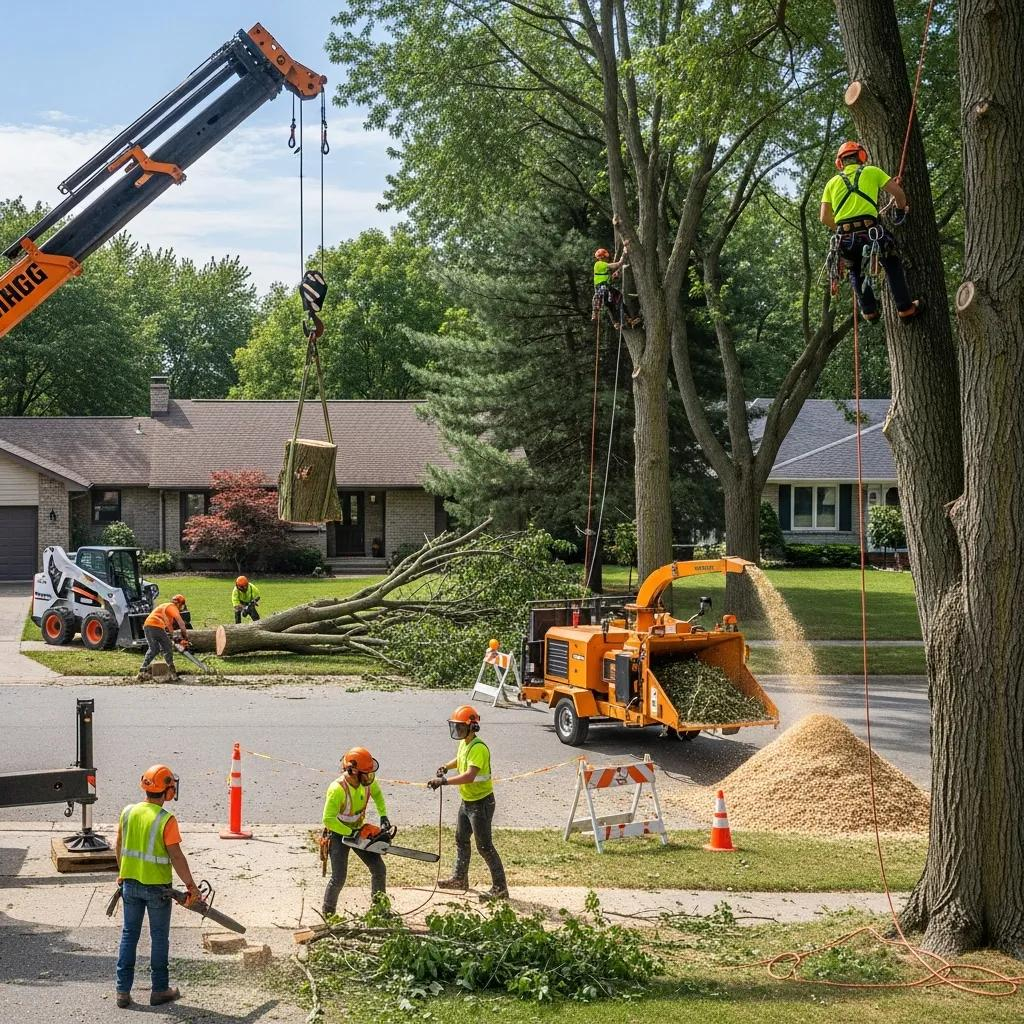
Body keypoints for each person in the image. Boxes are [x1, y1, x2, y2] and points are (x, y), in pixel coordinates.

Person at [114, 763, 201, 1009]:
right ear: (167, 791)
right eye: (171, 786)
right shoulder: (166, 820)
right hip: (158, 890)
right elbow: (176, 856)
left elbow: (118, 845)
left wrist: (122, 873)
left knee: (129, 936)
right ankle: (159, 990)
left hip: (129, 885)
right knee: (159, 938)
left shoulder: (128, 812)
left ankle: (122, 991)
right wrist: (191, 887)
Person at [820, 141, 922, 322]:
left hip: (845, 238)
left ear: (840, 163)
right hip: (871, 233)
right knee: (891, 263)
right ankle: (905, 309)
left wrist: (844, 229)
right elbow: (899, 194)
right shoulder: (872, 171)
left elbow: (824, 218)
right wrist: (899, 210)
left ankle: (869, 312)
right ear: (861, 156)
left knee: (855, 269)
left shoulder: (831, 183)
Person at [427, 705, 508, 902]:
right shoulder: (466, 743)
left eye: (460, 727)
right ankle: (460, 878)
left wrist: (444, 781)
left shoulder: (479, 748)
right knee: (461, 839)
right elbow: (461, 758)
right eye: (456, 727)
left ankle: (500, 888)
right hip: (467, 802)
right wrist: (446, 766)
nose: (457, 731)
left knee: (485, 847)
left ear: (472, 727)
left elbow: (470, 776)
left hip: (481, 804)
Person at [321, 746, 390, 917]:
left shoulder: (367, 782)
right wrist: (350, 833)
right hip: (338, 834)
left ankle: (380, 910)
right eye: (365, 774)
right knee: (339, 877)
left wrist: (383, 816)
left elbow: (378, 795)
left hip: (359, 830)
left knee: (378, 868)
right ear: (352, 771)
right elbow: (328, 819)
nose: (369, 777)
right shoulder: (337, 789)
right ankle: (328, 913)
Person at [137, 594, 189, 682]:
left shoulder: (165, 606)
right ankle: (173, 674)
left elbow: (168, 625)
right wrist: (185, 637)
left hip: (147, 626)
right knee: (168, 647)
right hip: (155, 626)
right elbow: (181, 624)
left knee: (154, 649)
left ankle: (142, 670)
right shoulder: (173, 608)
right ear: (179, 604)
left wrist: (173, 636)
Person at [592, 242, 634, 329]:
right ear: (603, 257)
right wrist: (624, 252)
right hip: (604, 289)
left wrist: (613, 277)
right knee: (619, 298)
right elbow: (618, 264)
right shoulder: (600, 264)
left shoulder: (601, 267)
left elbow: (606, 278)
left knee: (610, 305)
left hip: (601, 291)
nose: (608, 259)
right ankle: (629, 319)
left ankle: (616, 323)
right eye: (606, 257)